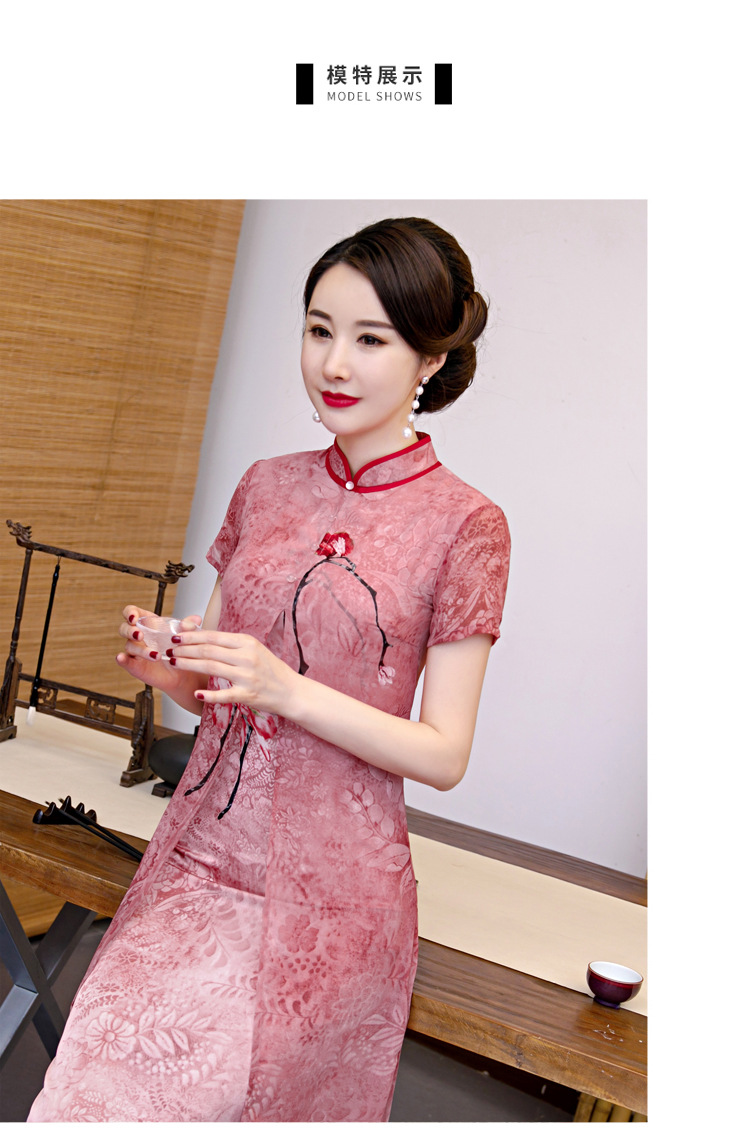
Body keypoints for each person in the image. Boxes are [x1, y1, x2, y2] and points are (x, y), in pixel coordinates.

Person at [28, 216, 511, 1122]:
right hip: (195, 861)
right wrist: (169, 664)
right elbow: (220, 687)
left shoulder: (466, 525)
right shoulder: (266, 484)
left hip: (330, 903)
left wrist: (286, 687)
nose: (335, 363)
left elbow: (444, 752)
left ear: (431, 359)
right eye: (319, 330)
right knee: (78, 1104)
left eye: (371, 339)